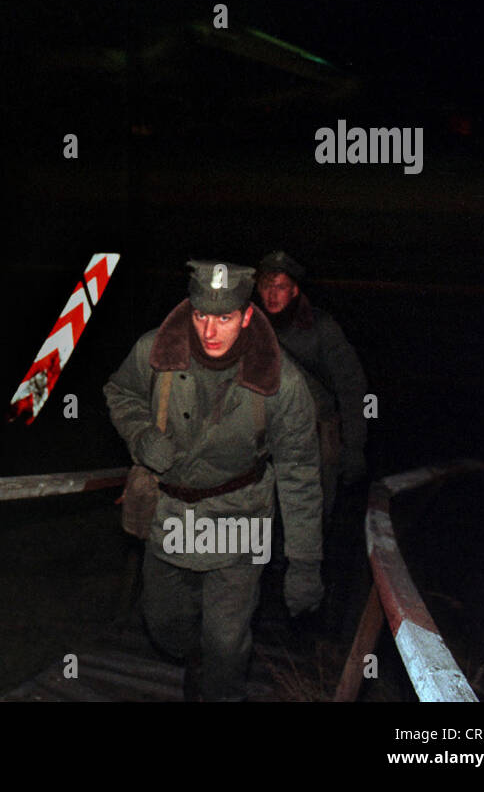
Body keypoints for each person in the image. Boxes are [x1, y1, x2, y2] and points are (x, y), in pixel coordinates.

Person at [103, 260, 322, 700]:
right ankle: (194, 656)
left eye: (224, 318)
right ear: (189, 310)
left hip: (240, 518)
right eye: (202, 316)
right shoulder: (154, 352)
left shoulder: (283, 380)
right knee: (164, 625)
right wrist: (142, 435)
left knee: (226, 642)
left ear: (245, 316)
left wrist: (304, 563)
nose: (209, 330)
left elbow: (299, 470)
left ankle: (219, 689)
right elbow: (120, 392)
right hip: (170, 515)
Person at [255, 250, 369, 523]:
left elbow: (356, 390)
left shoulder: (321, 328)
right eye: (266, 286)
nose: (272, 294)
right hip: (266, 432)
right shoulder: (250, 326)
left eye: (280, 287)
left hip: (316, 433)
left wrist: (355, 446)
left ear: (294, 290)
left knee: (310, 514)